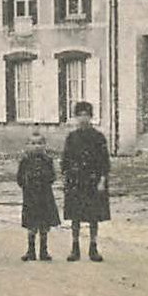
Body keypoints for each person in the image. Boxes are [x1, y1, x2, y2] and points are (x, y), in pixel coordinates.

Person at [61, 101, 110, 262]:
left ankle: (93, 247)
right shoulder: (72, 137)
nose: (83, 119)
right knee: (75, 216)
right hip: (75, 181)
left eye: (86, 115)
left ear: (91, 117)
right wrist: (65, 179)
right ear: (75, 118)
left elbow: (104, 162)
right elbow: (65, 161)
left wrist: (102, 180)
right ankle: (75, 247)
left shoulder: (98, 137)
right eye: (79, 115)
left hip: (93, 181)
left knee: (93, 216)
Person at [16, 129, 60, 261]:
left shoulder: (47, 161)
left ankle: (43, 251)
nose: (37, 146)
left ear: (45, 145)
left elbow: (52, 177)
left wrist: (44, 180)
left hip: (45, 196)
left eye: (40, 143)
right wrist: (27, 184)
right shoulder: (25, 161)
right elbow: (19, 178)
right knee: (31, 225)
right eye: (33, 143)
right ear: (27, 145)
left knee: (44, 225)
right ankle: (30, 250)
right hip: (30, 196)